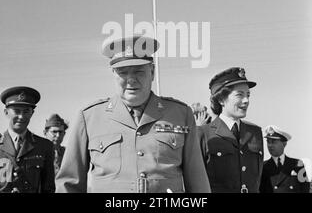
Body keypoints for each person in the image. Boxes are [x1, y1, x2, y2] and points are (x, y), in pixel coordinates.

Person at [56, 35, 211, 193]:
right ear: (113, 74)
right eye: (123, 72)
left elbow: (198, 182)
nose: (131, 80)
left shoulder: (180, 114)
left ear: (152, 72)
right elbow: (69, 183)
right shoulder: (89, 117)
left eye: (139, 71)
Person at [198, 67, 263, 193]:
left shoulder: (255, 132)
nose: (246, 100)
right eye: (239, 95)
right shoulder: (202, 134)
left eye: (248, 95)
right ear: (221, 99)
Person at [0, 86, 55, 193]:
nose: (21, 116)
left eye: (26, 111)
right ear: (6, 112)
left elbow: (48, 188)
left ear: (32, 113)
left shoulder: (44, 146)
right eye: (16, 111)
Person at [260, 125, 310, 193]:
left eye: (274, 142)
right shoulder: (262, 166)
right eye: (268, 142)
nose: (270, 145)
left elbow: (305, 188)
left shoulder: (298, 163)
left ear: (284, 143)